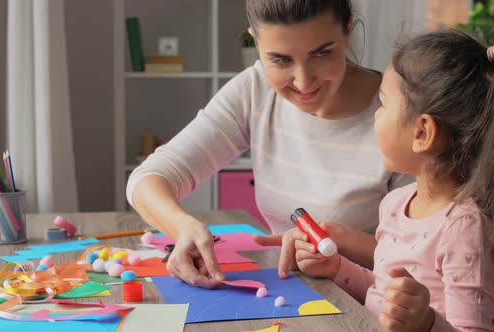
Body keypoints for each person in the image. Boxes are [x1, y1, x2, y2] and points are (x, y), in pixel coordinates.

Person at [126, 0, 410, 288]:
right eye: (281, 60)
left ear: (347, 29)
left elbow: (427, 257)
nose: (303, 82)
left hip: (375, 305)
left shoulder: (399, 117)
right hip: (294, 291)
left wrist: (343, 242)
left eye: (322, 53)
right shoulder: (255, 91)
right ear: (255, 40)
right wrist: (182, 227)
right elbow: (147, 178)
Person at [294, 30, 494, 331]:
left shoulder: (466, 230)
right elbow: (382, 293)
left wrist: (425, 322)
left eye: (382, 104)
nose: (375, 117)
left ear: (422, 133)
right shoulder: (396, 204)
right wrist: (336, 267)